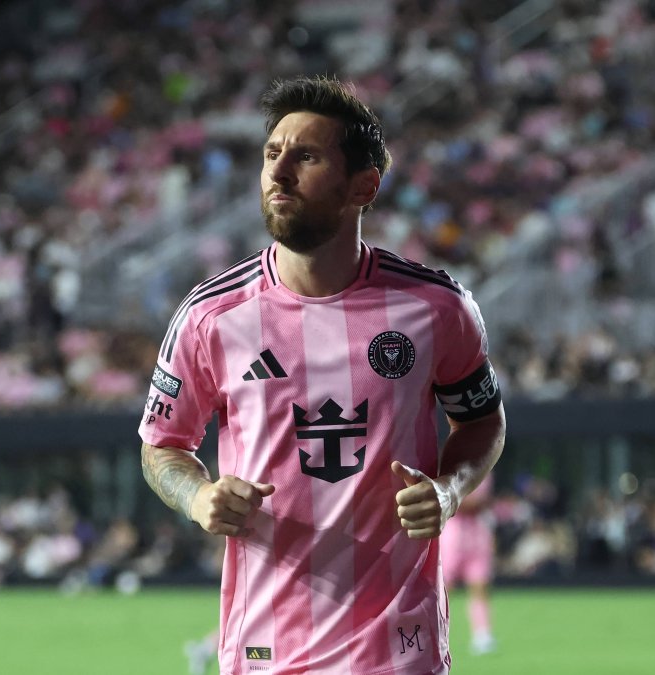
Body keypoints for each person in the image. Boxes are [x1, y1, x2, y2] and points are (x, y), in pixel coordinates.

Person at [139, 76, 506, 675]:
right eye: (271, 154)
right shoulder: (211, 316)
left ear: (364, 185)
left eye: (305, 156)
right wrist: (198, 495)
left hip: (399, 652)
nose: (278, 173)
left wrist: (450, 489)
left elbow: (483, 421)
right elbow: (162, 446)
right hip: (266, 652)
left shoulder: (436, 308)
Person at [439, 475, 496, 654]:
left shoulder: (485, 469)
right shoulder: (448, 468)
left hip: (477, 535)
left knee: (480, 586)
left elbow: (483, 501)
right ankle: (435, 632)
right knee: (444, 589)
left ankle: (482, 634)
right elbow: (453, 503)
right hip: (453, 535)